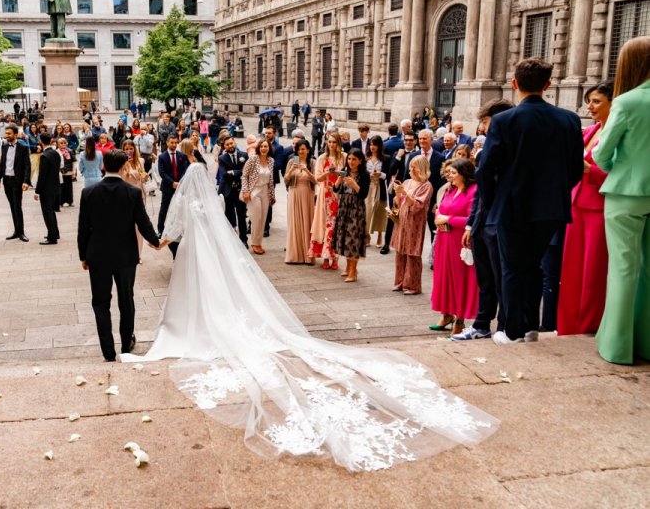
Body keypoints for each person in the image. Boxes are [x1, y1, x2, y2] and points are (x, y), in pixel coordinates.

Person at [121, 158, 498, 472]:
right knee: (220, 291)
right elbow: (219, 225)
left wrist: (160, 243)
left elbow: (175, 226)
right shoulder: (213, 202)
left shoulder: (186, 199)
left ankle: (194, 325)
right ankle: (211, 320)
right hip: (210, 253)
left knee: (198, 293)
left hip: (192, 254)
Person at [476, 57, 583, 344]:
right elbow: (575, 169)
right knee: (534, 265)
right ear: (548, 85)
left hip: (510, 206)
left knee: (512, 267)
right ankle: (531, 327)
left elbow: (486, 169)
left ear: (514, 84)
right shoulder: (570, 119)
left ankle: (511, 331)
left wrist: (491, 201)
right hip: (550, 207)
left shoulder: (503, 120)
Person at [592, 37, 650, 365]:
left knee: (623, 270)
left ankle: (616, 346)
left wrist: (620, 167)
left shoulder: (627, 102)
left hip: (626, 193)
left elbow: (601, 154)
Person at [78, 150, 161, 362]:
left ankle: (108, 350)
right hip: (125, 255)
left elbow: (83, 228)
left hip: (98, 255)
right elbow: (143, 222)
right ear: (124, 167)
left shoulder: (88, 192)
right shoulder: (131, 193)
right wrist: (156, 241)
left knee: (100, 302)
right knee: (126, 300)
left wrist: (83, 256)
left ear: (103, 166)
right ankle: (125, 344)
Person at [452, 99, 516, 341]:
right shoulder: (488, 146)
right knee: (485, 280)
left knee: (501, 279)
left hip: (501, 222)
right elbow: (480, 190)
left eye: (486, 122)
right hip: (482, 223)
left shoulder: (512, 148)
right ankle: (481, 324)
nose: (483, 129)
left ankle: (503, 326)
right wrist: (471, 224)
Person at [557, 82, 612, 336]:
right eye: (589, 101)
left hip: (600, 206)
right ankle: (568, 325)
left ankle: (589, 324)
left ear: (613, 103)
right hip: (577, 204)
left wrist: (592, 171)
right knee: (571, 270)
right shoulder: (588, 131)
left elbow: (622, 172)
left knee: (593, 271)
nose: (589, 106)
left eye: (597, 101)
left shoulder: (616, 132)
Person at [430, 159, 479, 335]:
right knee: (444, 277)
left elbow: (472, 218)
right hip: (444, 238)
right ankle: (447, 313)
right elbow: (442, 209)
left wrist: (448, 219)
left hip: (460, 240)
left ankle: (460, 318)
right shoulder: (450, 189)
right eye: (448, 172)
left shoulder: (473, 191)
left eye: (453, 173)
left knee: (460, 279)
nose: (449, 175)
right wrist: (439, 216)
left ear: (464, 174)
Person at [391, 156, 433, 295]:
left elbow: (417, 206)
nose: (410, 170)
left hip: (415, 223)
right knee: (400, 252)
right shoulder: (408, 182)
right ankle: (400, 281)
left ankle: (413, 285)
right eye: (410, 166)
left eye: (413, 167)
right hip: (402, 221)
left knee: (412, 254)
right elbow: (398, 202)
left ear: (421, 168)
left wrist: (404, 193)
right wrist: (398, 194)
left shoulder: (427, 186)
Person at [332, 148, 370, 282]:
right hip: (344, 207)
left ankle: (353, 271)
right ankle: (349, 267)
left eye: (354, 159)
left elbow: (364, 194)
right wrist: (338, 181)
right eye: (349, 159)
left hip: (356, 208)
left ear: (360, 161)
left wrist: (354, 184)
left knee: (353, 238)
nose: (351, 161)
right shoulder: (345, 172)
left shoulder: (364, 175)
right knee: (345, 237)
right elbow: (336, 189)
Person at [309, 133, 344, 269]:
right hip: (325, 195)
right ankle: (325, 257)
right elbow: (317, 178)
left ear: (338, 143)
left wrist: (337, 174)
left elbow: (346, 175)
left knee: (335, 227)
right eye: (329, 142)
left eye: (334, 142)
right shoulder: (322, 158)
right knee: (324, 225)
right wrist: (328, 173)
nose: (331, 145)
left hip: (338, 195)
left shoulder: (343, 157)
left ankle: (334, 258)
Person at [0, 124, 32, 242]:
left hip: (17, 181)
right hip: (7, 180)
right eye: (6, 134)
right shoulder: (4, 146)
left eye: (9, 134)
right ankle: (16, 231)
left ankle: (21, 232)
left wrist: (26, 181)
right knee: (12, 206)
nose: (6, 136)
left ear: (15, 135)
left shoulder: (23, 147)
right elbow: (2, 163)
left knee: (17, 206)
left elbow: (27, 165)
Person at [241, 138, 276, 255]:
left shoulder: (271, 161)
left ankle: (258, 242)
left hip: (265, 190)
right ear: (258, 148)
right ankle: (255, 243)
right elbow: (244, 175)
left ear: (269, 148)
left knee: (263, 218)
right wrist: (246, 191)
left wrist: (272, 195)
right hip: (254, 190)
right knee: (256, 218)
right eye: (261, 146)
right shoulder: (252, 159)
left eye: (266, 146)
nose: (263, 148)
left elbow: (271, 180)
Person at [157, 134, 190, 257]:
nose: (174, 144)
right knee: (164, 208)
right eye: (171, 142)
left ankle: (177, 228)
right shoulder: (162, 157)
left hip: (180, 188)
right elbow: (162, 172)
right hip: (168, 187)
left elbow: (185, 170)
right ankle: (160, 229)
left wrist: (180, 183)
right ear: (167, 142)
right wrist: (172, 183)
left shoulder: (181, 156)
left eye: (175, 142)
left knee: (179, 208)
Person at [284, 139, 315, 265]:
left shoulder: (312, 162)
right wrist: (292, 170)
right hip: (294, 193)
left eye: (303, 149)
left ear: (308, 150)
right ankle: (294, 255)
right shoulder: (292, 161)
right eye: (299, 149)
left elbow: (316, 180)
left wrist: (306, 170)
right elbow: (286, 179)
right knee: (294, 222)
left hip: (307, 194)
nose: (301, 151)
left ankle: (308, 256)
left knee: (307, 222)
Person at [217, 135, 249, 248]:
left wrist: (233, 172)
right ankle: (230, 241)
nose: (230, 146)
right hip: (228, 191)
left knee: (241, 216)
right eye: (227, 144)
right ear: (224, 146)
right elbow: (224, 174)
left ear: (234, 142)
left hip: (240, 190)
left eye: (231, 143)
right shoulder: (222, 158)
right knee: (229, 216)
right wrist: (238, 172)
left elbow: (246, 172)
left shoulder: (244, 155)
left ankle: (244, 240)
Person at [34, 133, 61, 245]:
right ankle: (54, 233)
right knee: (51, 211)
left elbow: (42, 176)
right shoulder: (55, 153)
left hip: (47, 189)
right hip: (55, 186)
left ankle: (52, 237)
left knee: (47, 212)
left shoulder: (44, 156)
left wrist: (37, 191)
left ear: (41, 141)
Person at [364, 135, 390, 248]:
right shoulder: (366, 158)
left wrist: (380, 174)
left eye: (374, 144)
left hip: (380, 186)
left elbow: (389, 174)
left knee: (379, 211)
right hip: (368, 186)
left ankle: (380, 235)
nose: (372, 147)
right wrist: (368, 175)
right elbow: (362, 173)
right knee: (367, 211)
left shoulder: (385, 159)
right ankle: (367, 235)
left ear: (379, 145)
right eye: (370, 144)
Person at [57, 137, 76, 207]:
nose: (63, 144)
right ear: (58, 144)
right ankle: (61, 202)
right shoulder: (57, 151)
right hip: (60, 172)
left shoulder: (70, 151)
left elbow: (74, 161)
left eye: (64, 143)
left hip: (69, 171)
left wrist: (74, 171)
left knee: (69, 187)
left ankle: (70, 201)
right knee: (61, 187)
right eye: (61, 143)